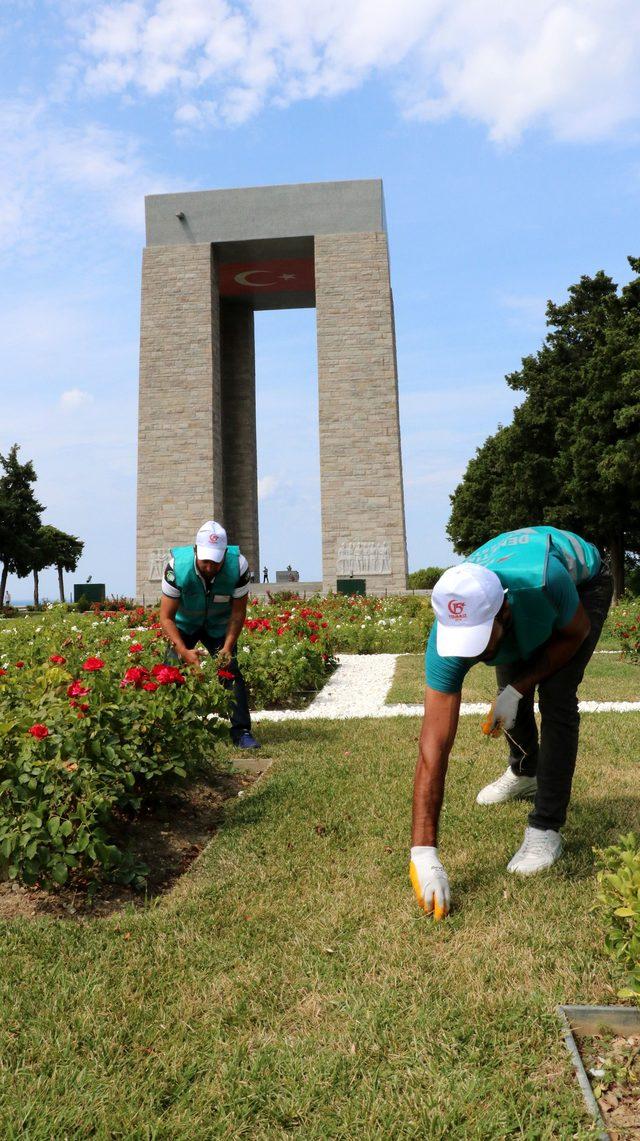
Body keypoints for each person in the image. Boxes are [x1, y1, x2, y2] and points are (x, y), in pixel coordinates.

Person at [410, 526, 612, 919]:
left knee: (556, 698)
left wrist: (519, 689)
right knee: (507, 671)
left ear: (503, 610)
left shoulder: (543, 583)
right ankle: (525, 772)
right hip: (515, 607)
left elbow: (576, 632)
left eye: (480, 638)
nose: (471, 653)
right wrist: (423, 850)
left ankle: (546, 828)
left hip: (583, 584)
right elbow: (433, 744)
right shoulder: (452, 623)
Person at [159, 520, 260, 750]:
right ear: (195, 551)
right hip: (184, 625)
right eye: (205, 560)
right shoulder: (176, 568)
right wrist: (183, 651)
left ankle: (241, 731)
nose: (210, 566)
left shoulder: (239, 566)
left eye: (215, 561)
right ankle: (170, 729)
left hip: (218, 625)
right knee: (170, 669)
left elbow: (237, 613)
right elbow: (166, 617)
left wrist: (227, 647)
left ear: (224, 554)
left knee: (230, 671)